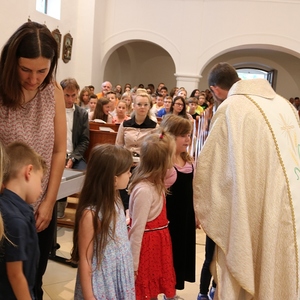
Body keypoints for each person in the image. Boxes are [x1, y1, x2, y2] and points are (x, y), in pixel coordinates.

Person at [193, 62, 300, 299]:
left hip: (254, 211)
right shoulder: (286, 106)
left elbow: (212, 169)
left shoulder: (233, 108)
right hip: (290, 207)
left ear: (215, 90)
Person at [0, 21, 66, 300]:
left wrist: (49, 202)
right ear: (11, 61)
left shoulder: (54, 91)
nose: (33, 78)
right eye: (25, 69)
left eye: (42, 70)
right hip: (4, 206)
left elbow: (59, 150)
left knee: (33, 277)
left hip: (39, 201)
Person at [71, 144, 135, 300]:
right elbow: (85, 259)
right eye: (127, 171)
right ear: (114, 180)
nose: (130, 175)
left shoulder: (116, 198)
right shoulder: (91, 214)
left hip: (118, 274)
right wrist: (89, 296)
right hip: (102, 281)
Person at [128, 131, 176, 300]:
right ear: (163, 162)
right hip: (145, 250)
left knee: (152, 289)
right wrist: (133, 265)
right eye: (171, 157)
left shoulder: (157, 183)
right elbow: (136, 230)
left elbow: (172, 175)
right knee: (144, 291)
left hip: (157, 247)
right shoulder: (144, 190)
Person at [0, 142, 47, 300]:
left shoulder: (18, 210)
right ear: (29, 171)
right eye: (40, 181)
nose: (41, 189)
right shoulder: (15, 221)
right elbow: (16, 275)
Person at [160, 114, 197, 291]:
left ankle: (172, 291)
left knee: (181, 255)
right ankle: (166, 290)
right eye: (183, 135)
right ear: (170, 136)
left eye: (189, 135)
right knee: (168, 257)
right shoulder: (165, 163)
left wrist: (196, 213)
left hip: (186, 218)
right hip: (169, 220)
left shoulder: (188, 161)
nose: (188, 139)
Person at [57, 78, 89, 218]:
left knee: (86, 175)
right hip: (56, 155)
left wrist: (72, 158)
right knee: (58, 175)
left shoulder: (82, 113)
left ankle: (83, 212)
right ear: (60, 93)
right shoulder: (54, 110)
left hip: (75, 155)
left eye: (73, 95)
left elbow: (84, 140)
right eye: (67, 95)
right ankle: (58, 211)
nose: (70, 99)